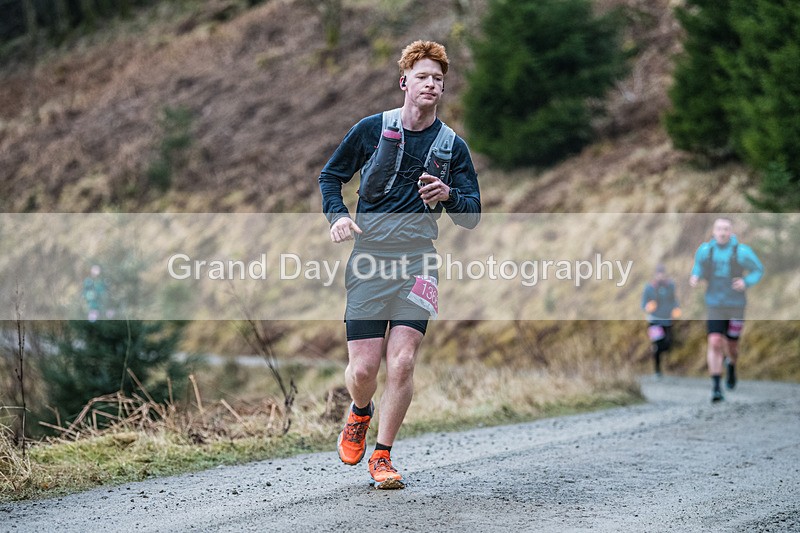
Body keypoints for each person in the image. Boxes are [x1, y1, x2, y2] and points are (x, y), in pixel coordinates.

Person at [318, 40, 480, 489]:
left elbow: (473, 215)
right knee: (364, 371)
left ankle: (383, 456)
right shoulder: (372, 129)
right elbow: (330, 176)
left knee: (403, 361)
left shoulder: (452, 147)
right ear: (404, 81)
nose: (432, 84)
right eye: (424, 76)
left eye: (439, 80)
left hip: (420, 262)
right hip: (370, 260)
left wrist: (448, 195)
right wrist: (338, 217)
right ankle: (359, 412)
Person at [690, 218, 763, 403]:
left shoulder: (742, 252)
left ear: (731, 232)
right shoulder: (706, 251)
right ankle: (716, 387)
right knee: (714, 342)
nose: (722, 233)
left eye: (726, 229)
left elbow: (758, 270)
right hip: (714, 303)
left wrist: (746, 282)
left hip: (736, 305)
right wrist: (695, 276)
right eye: (719, 229)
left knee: (732, 345)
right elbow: (698, 266)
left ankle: (731, 364)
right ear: (713, 231)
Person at [641, 263, 680, 377]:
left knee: (668, 343)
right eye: (658, 273)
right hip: (654, 320)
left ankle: (659, 357)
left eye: (662, 273)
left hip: (667, 319)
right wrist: (648, 306)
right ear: (655, 275)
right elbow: (643, 304)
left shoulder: (670, 286)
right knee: (657, 344)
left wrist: (676, 308)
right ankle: (657, 369)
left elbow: (674, 300)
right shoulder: (649, 288)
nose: (660, 276)